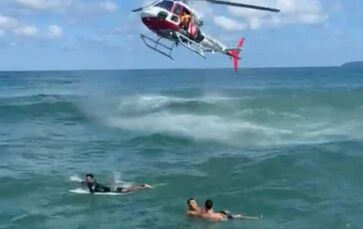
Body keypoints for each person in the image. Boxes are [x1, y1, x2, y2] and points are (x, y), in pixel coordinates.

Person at [85, 174, 152, 194]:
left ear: (92, 179)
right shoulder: (91, 184)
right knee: (128, 189)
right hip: (111, 188)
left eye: (89, 179)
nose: (88, 180)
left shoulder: (94, 184)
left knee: (128, 190)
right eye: (87, 179)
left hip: (113, 189)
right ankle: (143, 185)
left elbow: (92, 192)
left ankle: (145, 187)